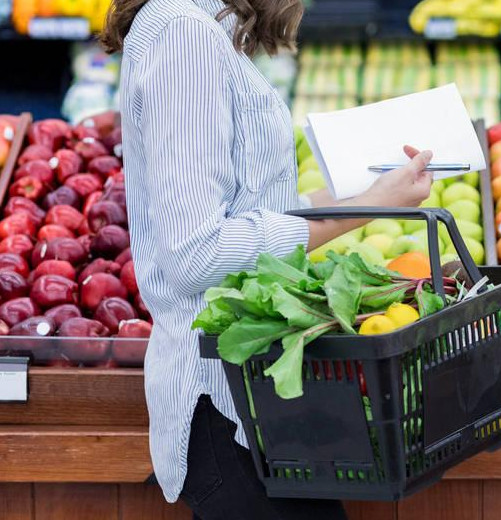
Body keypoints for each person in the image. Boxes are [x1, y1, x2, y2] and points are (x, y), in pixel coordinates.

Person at [101, 1, 433, 518]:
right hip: (223, 404)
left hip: (256, 401)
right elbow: (197, 252)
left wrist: (368, 198)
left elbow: (250, 215)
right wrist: (366, 212)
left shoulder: (200, 30)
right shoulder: (184, 36)